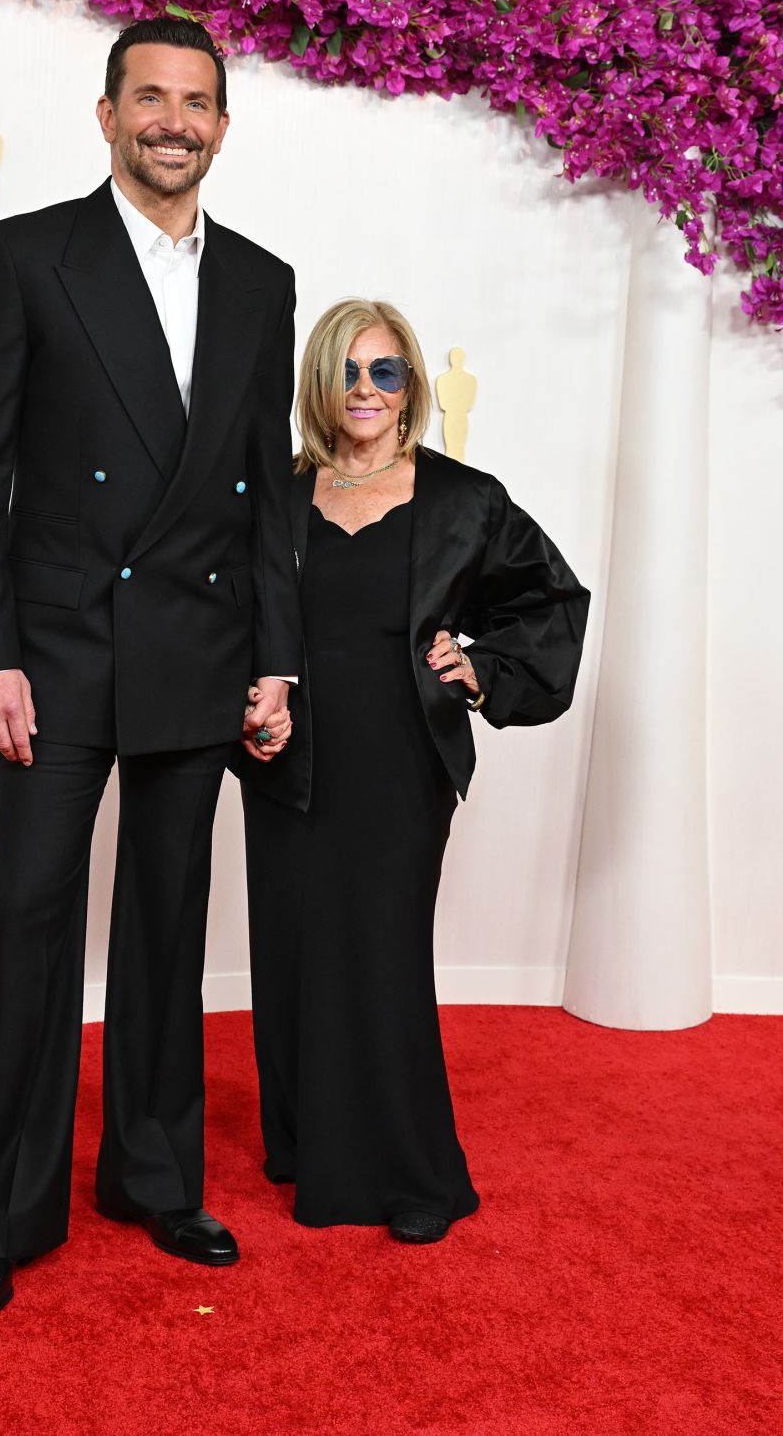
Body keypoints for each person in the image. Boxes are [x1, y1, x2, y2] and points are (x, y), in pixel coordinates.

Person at [0, 17, 300, 1327]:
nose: (173, 121)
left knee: (165, 927)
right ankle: (3, 1215)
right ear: (105, 115)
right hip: (57, 653)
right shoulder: (28, 255)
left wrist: (275, 662)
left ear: (219, 122)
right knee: (30, 924)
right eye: (149, 97)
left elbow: (266, 494)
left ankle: (153, 1174)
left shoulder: (261, 280)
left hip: (198, 654)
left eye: (196, 101)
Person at [236, 299, 589, 1243]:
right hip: (289, 759)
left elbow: (552, 597)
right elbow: (227, 617)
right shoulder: (277, 494)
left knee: (382, 950)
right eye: (348, 371)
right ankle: (308, 1144)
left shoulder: (463, 499)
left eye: (384, 371)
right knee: (295, 946)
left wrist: (485, 669)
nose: (365, 389)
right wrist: (248, 704)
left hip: (402, 759)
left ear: (410, 387)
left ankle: (408, 1175)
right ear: (321, 384)